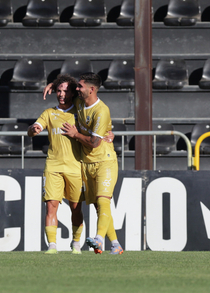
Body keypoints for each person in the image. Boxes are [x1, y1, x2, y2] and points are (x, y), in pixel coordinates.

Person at [60, 72, 124, 255]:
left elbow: (95, 142)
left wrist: (75, 135)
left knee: (103, 201)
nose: (77, 89)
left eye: (80, 86)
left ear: (92, 89)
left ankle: (98, 239)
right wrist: (51, 85)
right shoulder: (80, 102)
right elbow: (67, 89)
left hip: (105, 161)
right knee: (98, 205)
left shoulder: (101, 110)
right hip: (87, 163)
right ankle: (116, 245)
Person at [28, 74, 85, 254]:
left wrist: (53, 83)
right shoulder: (49, 113)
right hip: (53, 166)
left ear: (73, 92)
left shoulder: (79, 110)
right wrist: (33, 129)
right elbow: (34, 129)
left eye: (65, 91)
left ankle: (76, 243)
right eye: (59, 91)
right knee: (51, 205)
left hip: (75, 166)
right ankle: (52, 246)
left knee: (75, 208)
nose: (61, 94)